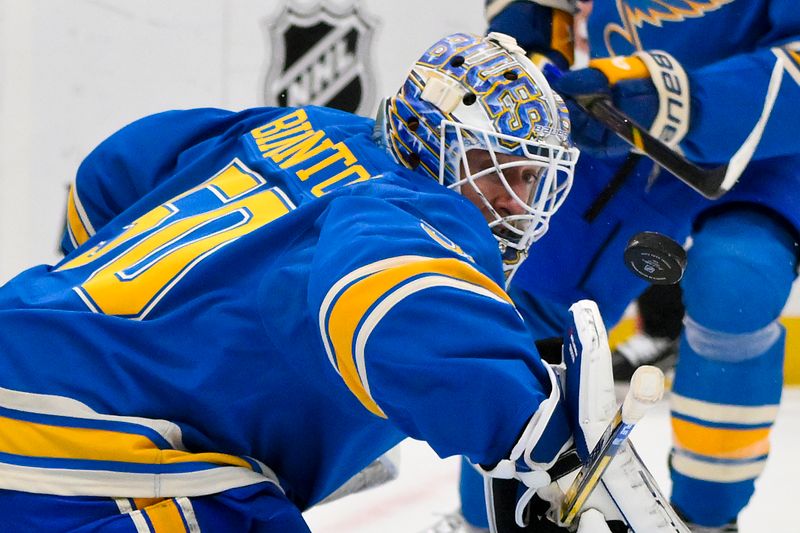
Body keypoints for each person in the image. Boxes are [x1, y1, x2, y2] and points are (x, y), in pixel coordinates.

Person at [0, 32, 678, 532]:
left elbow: (112, 171)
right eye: (494, 168)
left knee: (248, 499)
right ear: (436, 143)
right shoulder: (421, 208)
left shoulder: (295, 127)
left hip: (23, 336)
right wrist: (539, 437)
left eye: (527, 178)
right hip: (77, 454)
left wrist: (101, 324)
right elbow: (383, 294)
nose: (511, 200)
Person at [448, 1, 800, 532]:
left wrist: (676, 99)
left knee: (736, 281)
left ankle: (706, 521)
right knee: (528, 295)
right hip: (618, 111)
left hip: (772, 137)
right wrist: (534, 38)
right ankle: (490, 519)